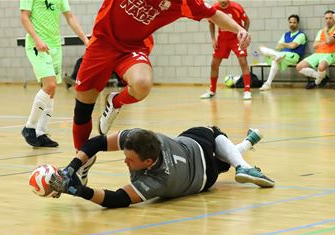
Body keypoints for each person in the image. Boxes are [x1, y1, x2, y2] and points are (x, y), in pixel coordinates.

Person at [72, 0, 251, 175]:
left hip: (132, 49)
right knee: (82, 111)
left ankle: (115, 102)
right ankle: (82, 162)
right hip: (102, 43)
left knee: (142, 84)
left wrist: (239, 29)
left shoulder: (184, 3)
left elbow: (214, 14)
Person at [49, 126, 274, 208]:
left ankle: (243, 160)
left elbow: (117, 199)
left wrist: (79, 191)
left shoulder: (157, 181)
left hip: (206, 177)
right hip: (196, 150)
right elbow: (97, 142)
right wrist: (71, 168)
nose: (124, 161)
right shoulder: (141, 138)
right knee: (216, 139)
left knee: (216, 137)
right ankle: (245, 154)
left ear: (148, 163)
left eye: (130, 160)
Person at [20, 0, 89, 147]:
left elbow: (69, 16)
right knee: (49, 85)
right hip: (37, 45)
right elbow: (24, 17)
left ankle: (41, 133)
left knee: (52, 91)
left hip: (55, 45)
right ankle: (29, 127)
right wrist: (37, 39)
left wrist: (85, 39)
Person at [200, 0, 252, 100]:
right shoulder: (214, 7)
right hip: (222, 39)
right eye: (220, 2)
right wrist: (213, 39)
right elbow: (211, 23)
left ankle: (247, 90)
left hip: (235, 38)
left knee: (243, 61)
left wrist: (244, 35)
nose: (221, 4)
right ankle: (212, 90)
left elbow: (247, 21)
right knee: (214, 64)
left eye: (224, 2)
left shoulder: (237, 7)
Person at [258, 15, 306, 91]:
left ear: (297, 23)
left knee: (275, 57)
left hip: (294, 56)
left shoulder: (301, 35)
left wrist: (283, 44)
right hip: (282, 55)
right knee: (275, 59)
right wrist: (286, 45)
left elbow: (293, 46)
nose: (292, 24)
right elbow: (277, 47)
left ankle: (270, 53)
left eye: (294, 22)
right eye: (290, 22)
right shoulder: (285, 34)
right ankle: (268, 84)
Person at [296, 10, 335, 89]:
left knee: (321, 67)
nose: (328, 20)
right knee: (299, 67)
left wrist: (325, 32)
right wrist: (324, 41)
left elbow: (329, 41)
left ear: (334, 19)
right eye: (326, 18)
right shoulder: (320, 31)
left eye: (330, 18)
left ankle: (316, 82)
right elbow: (314, 45)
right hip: (318, 53)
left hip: (330, 54)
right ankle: (323, 78)